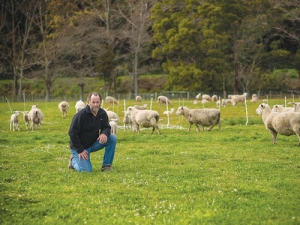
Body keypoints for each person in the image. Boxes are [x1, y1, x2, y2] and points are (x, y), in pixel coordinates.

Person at [68, 92, 116, 172]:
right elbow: (72, 132)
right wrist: (80, 150)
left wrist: (104, 133)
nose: (95, 104)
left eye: (97, 102)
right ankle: (73, 160)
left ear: (100, 102)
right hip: (80, 146)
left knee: (112, 138)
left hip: (93, 143)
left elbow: (106, 127)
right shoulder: (81, 115)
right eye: (93, 102)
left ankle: (106, 166)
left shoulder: (102, 113)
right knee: (86, 170)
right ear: (88, 102)